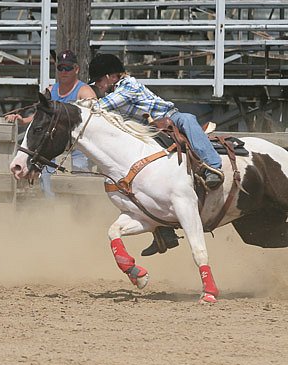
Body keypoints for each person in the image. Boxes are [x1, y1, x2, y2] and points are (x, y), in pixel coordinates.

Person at [88, 53, 224, 255]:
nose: (97, 85)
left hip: (167, 119)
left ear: (110, 76)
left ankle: (213, 166)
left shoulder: (128, 86)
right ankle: (163, 232)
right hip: (148, 132)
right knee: (148, 184)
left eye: (99, 80)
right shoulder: (115, 93)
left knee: (187, 119)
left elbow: (101, 108)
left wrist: (78, 109)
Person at [5, 50, 96, 197]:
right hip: (53, 146)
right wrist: (22, 120)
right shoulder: (50, 91)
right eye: (61, 68)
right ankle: (52, 211)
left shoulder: (85, 92)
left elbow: (93, 120)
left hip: (77, 148)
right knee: (47, 181)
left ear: (76, 69)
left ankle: (84, 212)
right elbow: (40, 117)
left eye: (68, 68)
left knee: (80, 178)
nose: (64, 71)